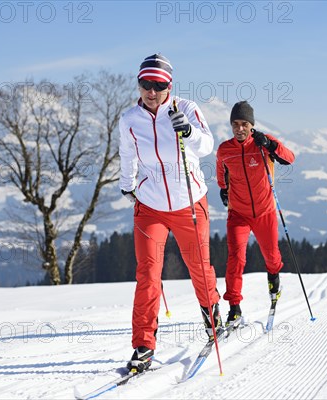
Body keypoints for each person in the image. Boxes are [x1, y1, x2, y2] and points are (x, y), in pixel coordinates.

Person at [119, 54, 221, 372]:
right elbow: (127, 153)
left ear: (169, 86)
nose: (151, 91)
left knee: (199, 267)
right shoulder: (129, 119)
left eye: (158, 85)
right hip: (150, 206)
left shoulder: (186, 109)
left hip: (189, 201)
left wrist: (187, 131)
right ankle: (143, 345)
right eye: (145, 84)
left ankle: (211, 309)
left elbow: (207, 145)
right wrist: (127, 184)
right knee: (148, 274)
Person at [215, 101, 295, 327]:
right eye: (235, 124)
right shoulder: (224, 150)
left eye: (244, 124)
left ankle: (274, 279)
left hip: (265, 211)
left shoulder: (262, 143)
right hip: (238, 213)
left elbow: (289, 158)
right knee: (236, 259)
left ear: (252, 125)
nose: (239, 129)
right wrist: (223, 190)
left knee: (271, 256)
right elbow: (222, 173)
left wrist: (270, 144)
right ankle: (234, 307)